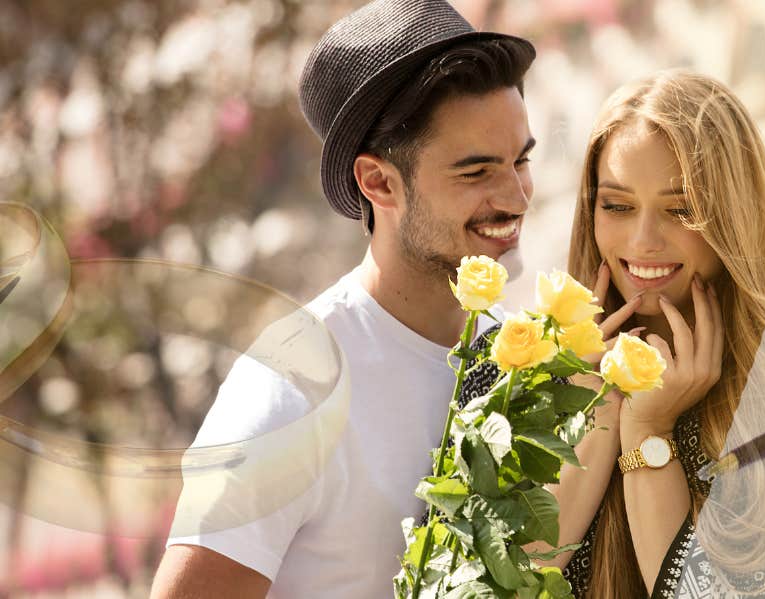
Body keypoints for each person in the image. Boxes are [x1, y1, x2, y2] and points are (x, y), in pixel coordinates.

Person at [150, 1, 536, 597]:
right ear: (379, 182)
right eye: (476, 171)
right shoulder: (292, 385)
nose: (514, 196)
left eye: (521, 160)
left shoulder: (521, 356)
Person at [461, 70, 765, 598]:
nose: (643, 242)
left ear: (734, 215)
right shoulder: (509, 360)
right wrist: (603, 403)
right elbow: (493, 589)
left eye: (681, 209)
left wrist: (650, 433)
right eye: (617, 206)